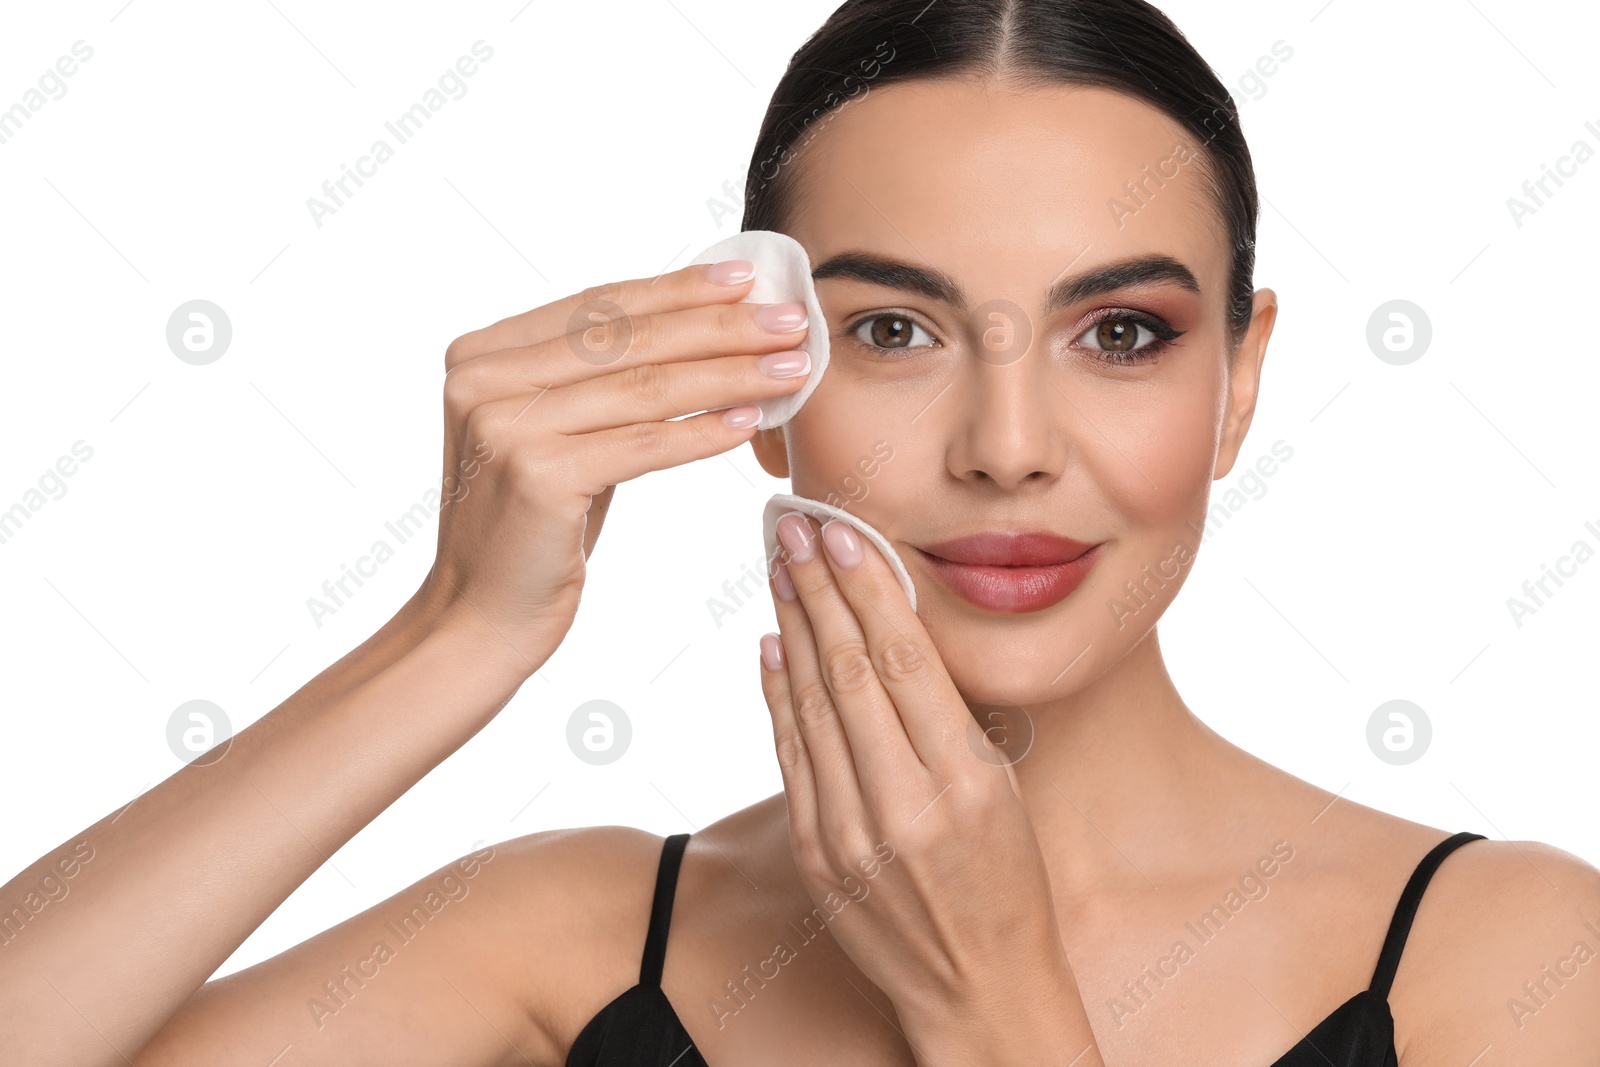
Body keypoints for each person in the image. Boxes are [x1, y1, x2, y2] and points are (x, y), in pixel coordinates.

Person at [5, 1, 1598, 1064]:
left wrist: (994, 1012)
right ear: (767, 379)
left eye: (1119, 335)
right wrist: (455, 633)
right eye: (895, 331)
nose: (1008, 452)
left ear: (1242, 380)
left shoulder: (1512, 960)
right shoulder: (572, 938)